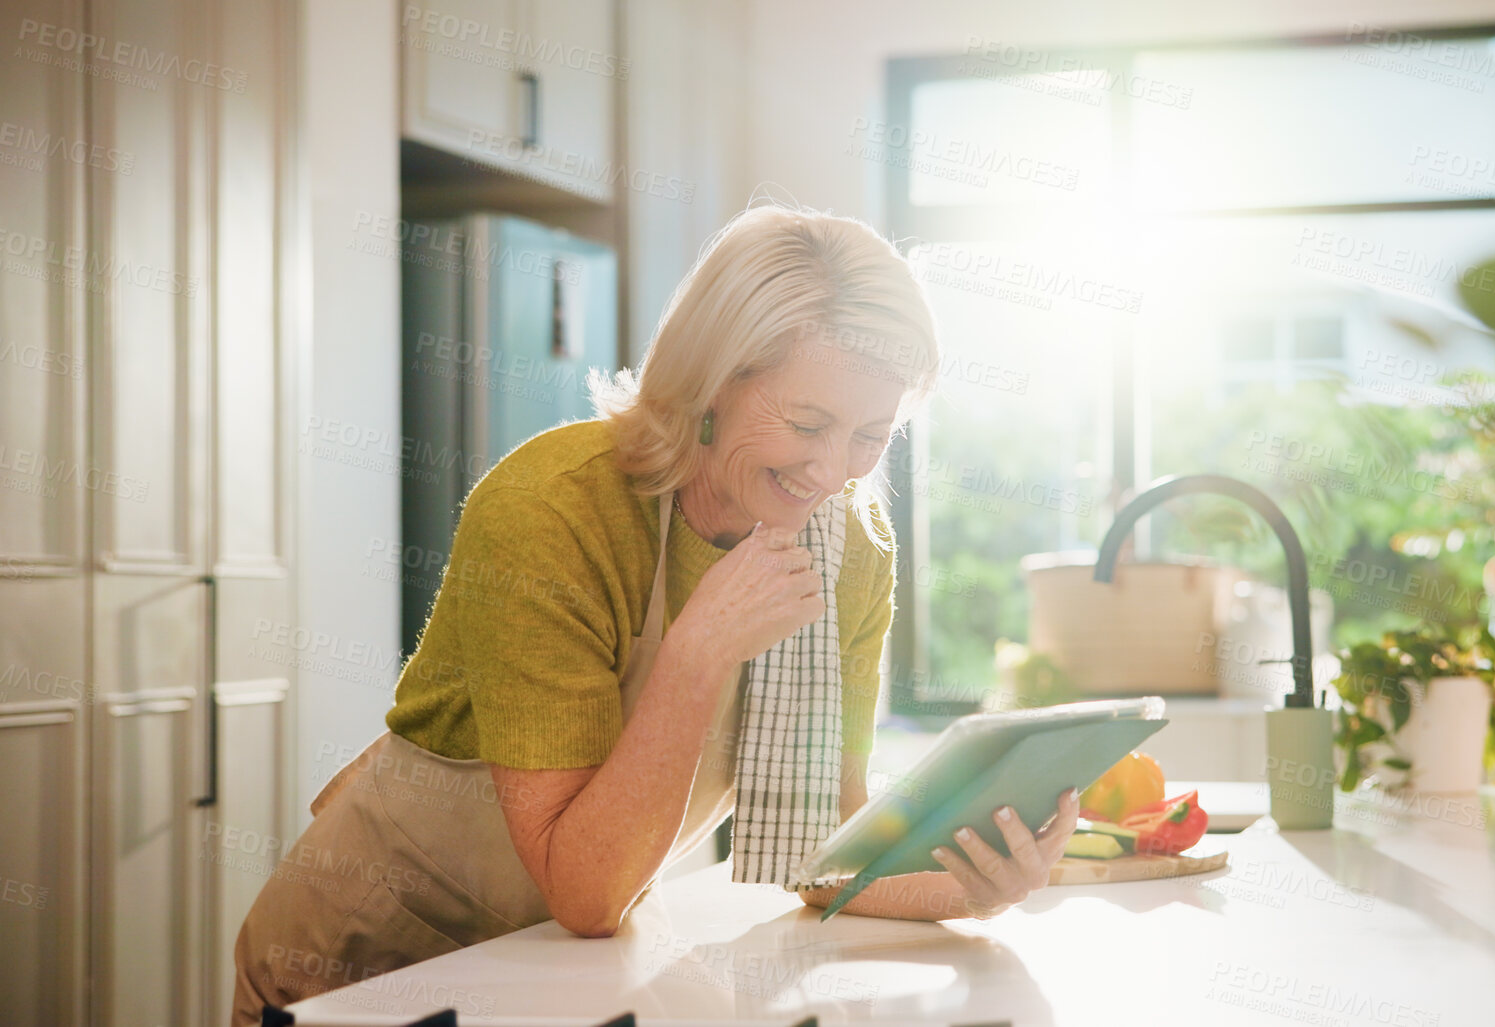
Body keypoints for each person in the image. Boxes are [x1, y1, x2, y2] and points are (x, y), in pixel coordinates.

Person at [230, 206, 1082, 1025]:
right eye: (807, 422)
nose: (832, 471)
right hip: (366, 972)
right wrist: (697, 651)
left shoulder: (848, 546)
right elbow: (588, 892)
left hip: (560, 973)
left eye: (871, 433)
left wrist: (970, 888)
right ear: (709, 381)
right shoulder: (552, 510)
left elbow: (826, 850)